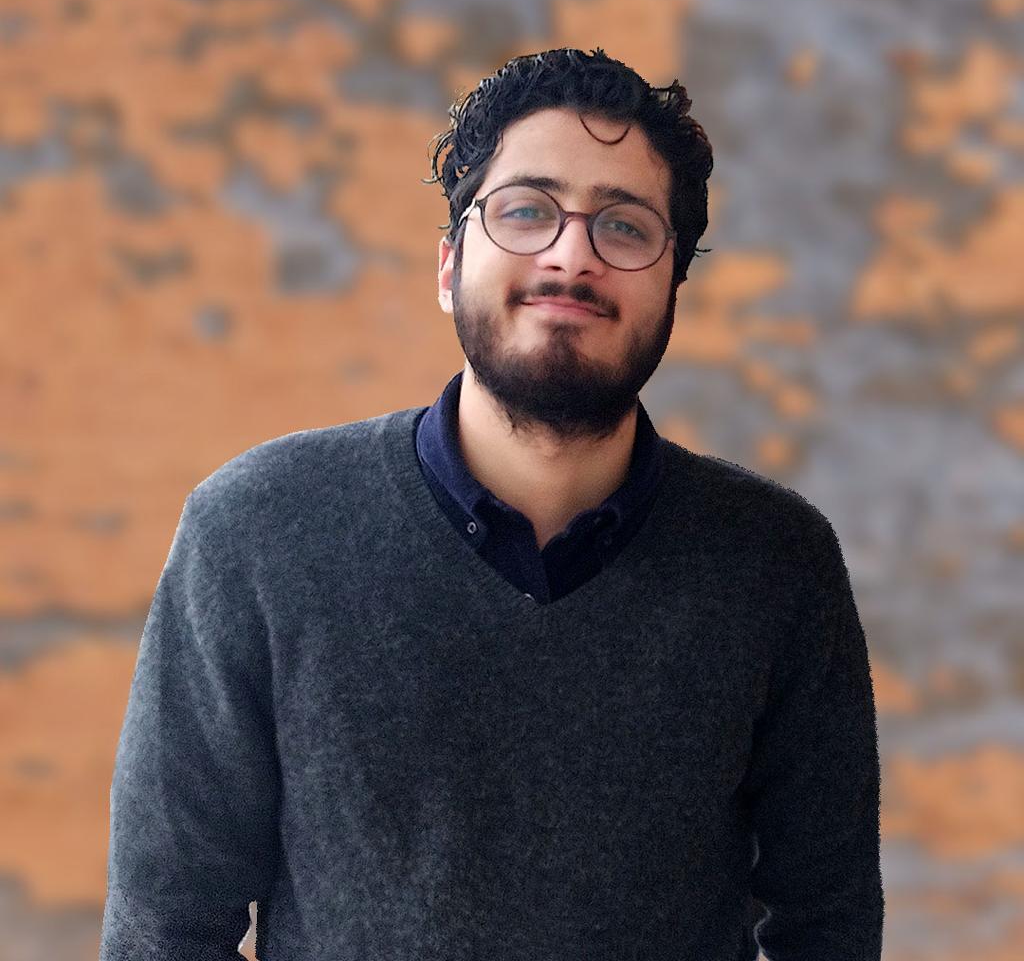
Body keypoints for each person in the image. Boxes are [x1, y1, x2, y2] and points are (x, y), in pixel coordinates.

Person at [100, 47, 884, 960]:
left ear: (674, 286)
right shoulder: (256, 531)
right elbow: (164, 930)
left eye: (625, 227)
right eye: (526, 211)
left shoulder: (776, 561)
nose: (571, 256)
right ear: (448, 267)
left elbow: (829, 926)